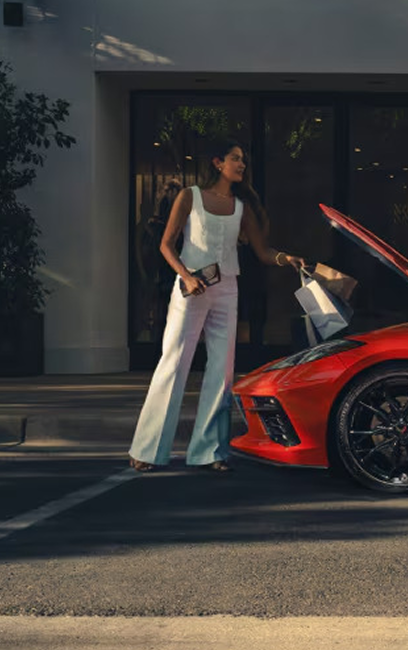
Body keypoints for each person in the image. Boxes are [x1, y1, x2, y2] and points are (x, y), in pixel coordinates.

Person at [128, 140, 307, 472]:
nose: (241, 164)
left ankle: (209, 451)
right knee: (174, 363)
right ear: (217, 163)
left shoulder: (242, 207)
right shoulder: (190, 197)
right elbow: (166, 245)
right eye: (235, 159)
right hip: (190, 287)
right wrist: (185, 276)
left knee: (222, 371)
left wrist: (286, 259)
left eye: (243, 159)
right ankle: (148, 448)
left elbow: (262, 252)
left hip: (227, 290)